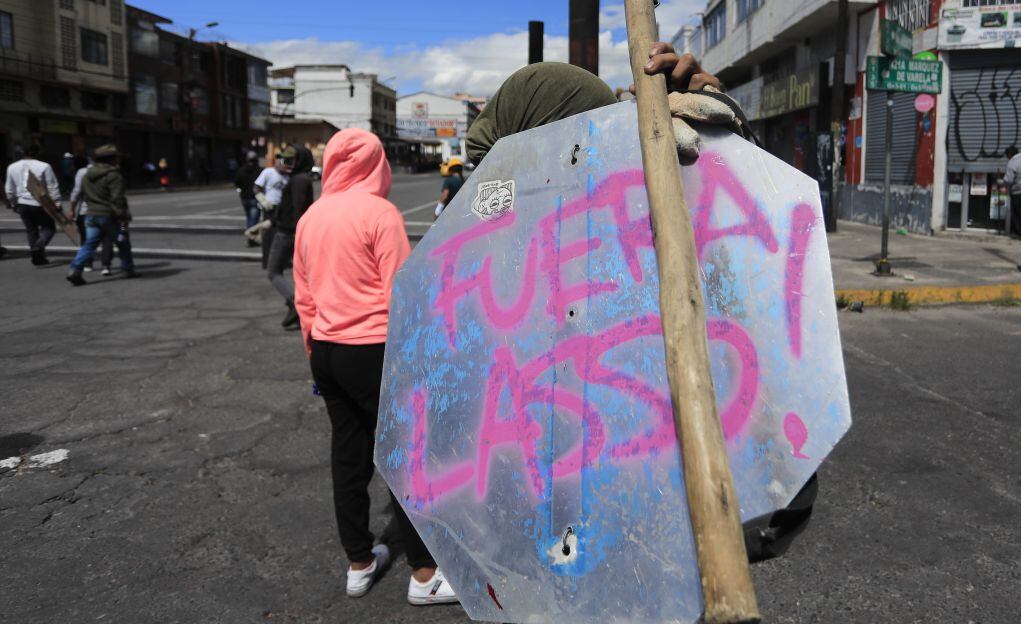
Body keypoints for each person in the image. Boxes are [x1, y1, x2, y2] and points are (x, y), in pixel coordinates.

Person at [465, 44, 813, 564]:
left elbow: (762, 421)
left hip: (653, 564)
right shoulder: (484, 277)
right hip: (544, 566)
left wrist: (720, 160)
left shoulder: (653, 261)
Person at [293, 128, 458, 605]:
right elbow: (401, 294)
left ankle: (359, 563)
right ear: (376, 165)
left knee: (348, 456)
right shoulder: (379, 213)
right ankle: (424, 574)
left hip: (326, 347)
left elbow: (304, 297)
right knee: (406, 456)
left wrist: (314, 355)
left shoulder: (311, 217)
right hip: (374, 348)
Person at [66, 144, 139, 286]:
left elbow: (81, 193)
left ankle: (74, 270)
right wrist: (123, 215)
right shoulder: (113, 175)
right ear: (111, 159)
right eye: (116, 157)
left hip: (91, 214)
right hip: (109, 215)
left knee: (89, 244)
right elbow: (117, 198)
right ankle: (127, 269)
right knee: (123, 241)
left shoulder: (87, 174)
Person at [267, 145, 315, 328]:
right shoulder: (299, 178)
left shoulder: (299, 181)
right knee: (298, 274)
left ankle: (296, 302)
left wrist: (298, 235)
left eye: (291, 160)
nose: (287, 163)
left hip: (288, 233)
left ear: (300, 160)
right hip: (289, 231)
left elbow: (298, 210)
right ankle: (297, 304)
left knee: (273, 272)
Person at [5, 144, 61, 266]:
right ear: (36, 152)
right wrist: (56, 202)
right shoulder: (44, 166)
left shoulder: (12, 167)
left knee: (31, 230)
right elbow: (52, 186)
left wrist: (13, 203)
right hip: (40, 202)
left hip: (22, 203)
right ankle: (39, 246)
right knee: (49, 228)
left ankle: (37, 258)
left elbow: (9, 189)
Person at [254, 150, 292, 268]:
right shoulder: (268, 172)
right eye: (280, 160)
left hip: (282, 209)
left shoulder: (288, 176)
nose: (282, 163)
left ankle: (280, 261)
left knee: (280, 235)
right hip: (269, 207)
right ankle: (267, 261)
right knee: (268, 235)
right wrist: (264, 201)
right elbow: (256, 188)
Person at [1003, 146, 1021, 238]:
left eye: (1007, 156)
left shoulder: (1011, 163)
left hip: (1018, 191)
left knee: (1018, 213)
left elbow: (1009, 180)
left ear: (1010, 154)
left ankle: (1019, 232)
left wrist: (1001, 181)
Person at [234, 151, 262, 246]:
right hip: (255, 198)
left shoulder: (241, 170)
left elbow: (237, 183)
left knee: (249, 218)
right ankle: (251, 238)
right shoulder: (259, 170)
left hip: (244, 198)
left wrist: (240, 190)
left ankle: (251, 237)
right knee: (254, 219)